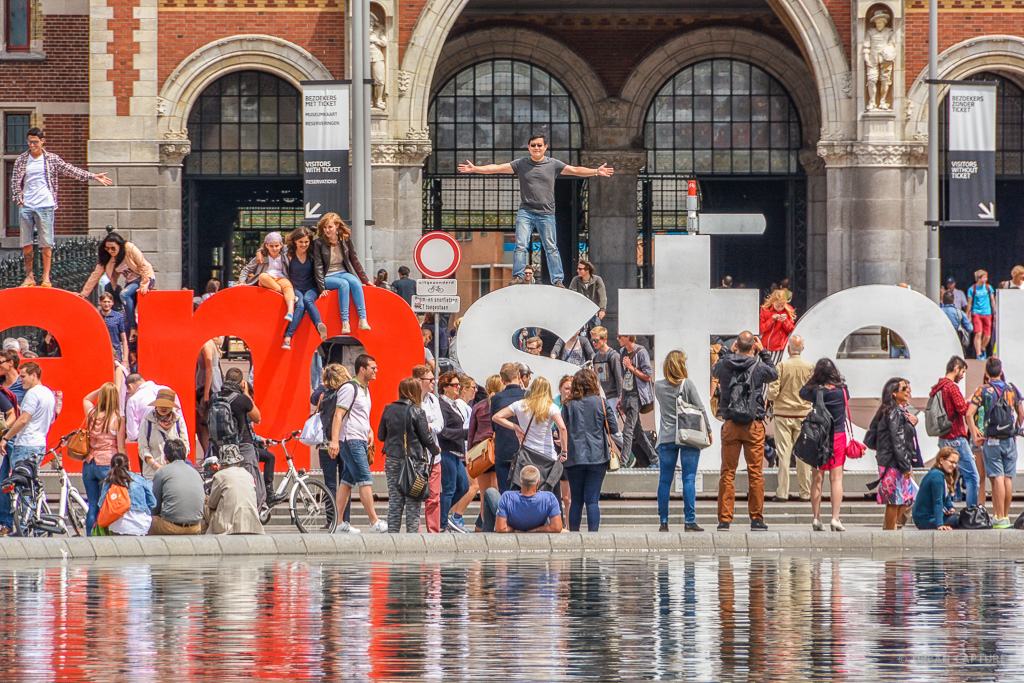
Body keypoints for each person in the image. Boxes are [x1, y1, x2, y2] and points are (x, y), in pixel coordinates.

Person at [458, 134, 614, 286]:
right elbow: (498, 167)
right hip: (526, 211)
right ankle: (518, 276)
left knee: (551, 247)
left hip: (546, 213)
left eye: (540, 145)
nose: (536, 148)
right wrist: (475, 169)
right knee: (520, 244)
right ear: (528, 147)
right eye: (533, 145)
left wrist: (595, 172)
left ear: (545, 147)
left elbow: (574, 170)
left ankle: (557, 280)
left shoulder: (553, 164)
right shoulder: (521, 164)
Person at [11, 127, 113, 288]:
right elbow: (15, 183)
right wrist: (20, 201)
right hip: (27, 205)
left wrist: (93, 176)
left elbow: (70, 170)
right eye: (29, 142)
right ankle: (29, 277)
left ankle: (46, 277)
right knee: (27, 243)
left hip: (45, 205)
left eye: (35, 142)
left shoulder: (51, 159)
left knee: (47, 243)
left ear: (42, 141)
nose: (32, 145)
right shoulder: (22, 160)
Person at [713, 331, 778, 531]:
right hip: (753, 425)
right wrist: (763, 352)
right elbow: (774, 373)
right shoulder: (758, 366)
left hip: (731, 424)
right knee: (756, 473)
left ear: (736, 345)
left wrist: (726, 352)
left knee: (727, 473)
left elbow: (714, 370)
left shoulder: (724, 364)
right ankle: (756, 519)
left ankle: (725, 520)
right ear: (753, 347)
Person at [329, 354, 387, 533]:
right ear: (362, 369)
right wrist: (334, 441)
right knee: (365, 478)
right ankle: (374, 521)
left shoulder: (365, 388)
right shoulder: (350, 388)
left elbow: (361, 415)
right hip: (351, 440)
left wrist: (369, 430)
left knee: (347, 480)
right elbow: (338, 414)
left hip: (359, 438)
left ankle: (338, 523)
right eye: (373, 368)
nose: (376, 371)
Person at [655, 351, 712, 532]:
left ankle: (664, 522)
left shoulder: (658, 386)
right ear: (681, 366)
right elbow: (701, 409)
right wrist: (709, 431)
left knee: (664, 480)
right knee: (688, 478)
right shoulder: (687, 385)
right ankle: (689, 521)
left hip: (666, 437)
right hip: (688, 436)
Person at [966, 356, 1022, 529]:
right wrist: (1015, 428)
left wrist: (975, 433)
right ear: (1001, 372)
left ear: (987, 373)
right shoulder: (1012, 389)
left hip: (992, 440)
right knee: (1007, 477)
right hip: (1010, 440)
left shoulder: (983, 390)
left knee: (996, 476)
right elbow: (1021, 413)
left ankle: (998, 516)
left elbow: (969, 414)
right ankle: (1005, 515)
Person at [378, 378, 439, 533]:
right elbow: (426, 438)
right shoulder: (417, 412)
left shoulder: (388, 409)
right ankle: (411, 542)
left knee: (395, 502)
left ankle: (393, 538)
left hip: (392, 459)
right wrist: (436, 450)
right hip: (414, 462)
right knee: (413, 503)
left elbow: (380, 436)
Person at [799, 358, 850, 532]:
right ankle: (835, 518)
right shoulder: (843, 391)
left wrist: (813, 380)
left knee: (817, 478)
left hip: (818, 437)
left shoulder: (815, 391)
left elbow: (801, 392)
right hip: (837, 436)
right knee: (836, 479)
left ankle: (816, 517)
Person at [492, 376, 568, 491]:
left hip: (526, 457)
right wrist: (564, 451)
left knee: (525, 492)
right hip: (548, 456)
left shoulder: (520, 404)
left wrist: (515, 426)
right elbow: (562, 428)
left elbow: (496, 417)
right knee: (549, 495)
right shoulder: (551, 407)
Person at [868, 377, 921, 530]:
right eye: (904, 389)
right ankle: (889, 533)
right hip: (893, 463)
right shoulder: (894, 412)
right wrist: (905, 467)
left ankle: (890, 531)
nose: (908, 392)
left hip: (894, 461)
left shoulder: (895, 411)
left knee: (903, 500)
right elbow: (897, 441)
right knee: (895, 501)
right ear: (893, 393)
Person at [79, 231, 156, 335]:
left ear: (120, 245)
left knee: (124, 294)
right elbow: (95, 275)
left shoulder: (129, 247)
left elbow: (144, 265)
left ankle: (133, 327)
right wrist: (84, 294)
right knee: (126, 317)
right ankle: (132, 346)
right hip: (131, 282)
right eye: (107, 248)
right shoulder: (108, 259)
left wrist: (144, 284)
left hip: (144, 278)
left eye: (113, 248)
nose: (110, 251)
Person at [559, 369, 608, 531]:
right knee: (592, 500)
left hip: (574, 457)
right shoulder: (601, 402)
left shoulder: (568, 405)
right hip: (598, 456)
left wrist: (564, 450)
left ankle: (574, 535)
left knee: (577, 499)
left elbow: (562, 428)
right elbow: (613, 429)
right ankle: (593, 537)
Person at [767, 335, 814, 503]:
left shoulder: (781, 366)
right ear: (803, 348)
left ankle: (782, 492)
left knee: (784, 455)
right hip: (803, 415)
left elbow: (772, 392)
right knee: (803, 457)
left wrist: (774, 398)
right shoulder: (810, 367)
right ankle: (805, 492)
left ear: (788, 349)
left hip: (783, 415)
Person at [76, 382, 126, 534]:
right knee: (106, 503)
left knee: (92, 504)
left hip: (89, 463)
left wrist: (102, 389)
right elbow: (121, 446)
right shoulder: (117, 419)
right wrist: (125, 466)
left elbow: (86, 399)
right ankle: (104, 535)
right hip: (107, 465)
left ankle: (91, 535)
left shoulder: (92, 414)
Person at [929, 356, 979, 508]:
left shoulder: (938, 386)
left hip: (943, 438)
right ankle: (972, 512)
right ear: (956, 368)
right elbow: (963, 410)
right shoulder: (952, 387)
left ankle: (946, 507)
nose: (962, 376)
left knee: (948, 476)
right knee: (972, 477)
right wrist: (971, 400)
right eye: (962, 372)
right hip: (956, 437)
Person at [312, 364, 356, 532]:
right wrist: (349, 376)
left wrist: (323, 383)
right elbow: (356, 388)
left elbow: (312, 398)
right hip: (343, 440)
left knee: (330, 483)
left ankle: (331, 520)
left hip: (325, 443)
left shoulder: (323, 393)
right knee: (345, 482)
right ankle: (345, 519)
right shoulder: (347, 393)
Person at [213, 367, 265, 505]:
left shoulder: (216, 397)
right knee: (250, 484)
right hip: (243, 446)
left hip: (221, 448)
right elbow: (257, 418)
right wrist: (246, 393)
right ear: (241, 383)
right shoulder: (242, 399)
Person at [312, 212, 370, 334]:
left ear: (337, 225)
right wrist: (322, 287)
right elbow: (317, 266)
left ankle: (363, 319)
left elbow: (354, 260)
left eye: (330, 227)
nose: (327, 230)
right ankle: (345, 322)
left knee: (354, 281)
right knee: (343, 284)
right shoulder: (319, 242)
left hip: (342, 272)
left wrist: (366, 280)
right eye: (325, 227)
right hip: (327, 276)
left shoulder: (345, 240)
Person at [0, 362, 55, 474]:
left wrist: (6, 438)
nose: (20, 380)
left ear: (34, 375)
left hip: (26, 444)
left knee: (21, 484)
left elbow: (23, 420)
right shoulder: (48, 393)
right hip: (40, 444)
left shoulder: (32, 394)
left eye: (23, 376)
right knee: (32, 484)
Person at [282, 227, 328, 350]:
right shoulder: (288, 254)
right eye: (301, 242)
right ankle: (288, 337)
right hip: (295, 288)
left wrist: (322, 287)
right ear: (295, 241)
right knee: (300, 305)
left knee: (308, 300)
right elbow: (270, 248)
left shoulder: (313, 254)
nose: (304, 245)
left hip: (311, 288)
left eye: (306, 242)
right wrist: (259, 253)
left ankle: (319, 326)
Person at [483, 465, 563, 533]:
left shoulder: (507, 497)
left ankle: (486, 535)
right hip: (538, 521)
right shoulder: (549, 498)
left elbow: (500, 528)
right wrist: (536, 530)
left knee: (491, 492)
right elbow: (557, 527)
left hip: (513, 524)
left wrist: (514, 530)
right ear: (538, 482)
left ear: (520, 481)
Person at [412, 364, 444, 531]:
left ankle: (433, 532)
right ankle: (415, 531)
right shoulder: (410, 401)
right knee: (416, 496)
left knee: (434, 497)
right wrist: (427, 425)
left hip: (433, 457)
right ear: (419, 381)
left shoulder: (433, 400)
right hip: (416, 457)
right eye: (430, 379)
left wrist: (428, 426)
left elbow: (440, 424)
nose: (434, 382)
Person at [149, 439, 204, 535]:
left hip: (170, 527)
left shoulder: (162, 471)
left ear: (165, 456)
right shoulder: (195, 472)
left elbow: (155, 506)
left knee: (146, 522)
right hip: (196, 527)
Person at [204, 446, 264, 535]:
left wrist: (208, 501)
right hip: (252, 525)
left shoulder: (220, 476)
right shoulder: (248, 475)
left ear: (222, 464)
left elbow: (212, 504)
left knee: (204, 508)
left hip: (228, 525)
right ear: (239, 462)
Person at [437, 371, 469, 532]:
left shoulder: (453, 404)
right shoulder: (442, 405)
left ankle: (442, 515)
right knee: (449, 487)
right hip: (446, 451)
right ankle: (442, 523)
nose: (458, 388)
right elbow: (442, 432)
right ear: (445, 387)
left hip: (456, 451)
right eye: (455, 385)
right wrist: (465, 433)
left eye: (459, 385)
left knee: (463, 486)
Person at [238, 231, 296, 322]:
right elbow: (247, 269)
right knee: (262, 276)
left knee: (288, 285)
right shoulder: (262, 257)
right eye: (271, 246)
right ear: (266, 246)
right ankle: (286, 294)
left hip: (281, 278)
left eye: (276, 246)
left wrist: (258, 251)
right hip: (266, 280)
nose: (274, 248)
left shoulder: (284, 254)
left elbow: (292, 246)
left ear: (281, 245)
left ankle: (290, 311)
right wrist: (241, 281)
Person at [618, 334, 656, 468]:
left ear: (628, 337)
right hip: (627, 393)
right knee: (637, 431)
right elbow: (623, 377)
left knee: (628, 429)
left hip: (636, 395)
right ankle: (655, 458)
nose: (617, 339)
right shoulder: (622, 352)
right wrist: (621, 397)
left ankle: (624, 462)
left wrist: (631, 367)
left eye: (620, 336)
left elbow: (647, 375)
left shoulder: (641, 352)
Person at [94, 453, 155, 536]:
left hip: (117, 527)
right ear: (129, 465)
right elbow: (153, 503)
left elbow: (101, 504)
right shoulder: (139, 479)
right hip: (142, 524)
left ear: (111, 468)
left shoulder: (109, 480)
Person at [449, 374, 479, 530]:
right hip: (465, 451)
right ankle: (456, 516)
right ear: (465, 389)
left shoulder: (463, 406)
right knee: (473, 486)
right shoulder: (462, 406)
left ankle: (454, 518)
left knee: (461, 485)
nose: (475, 391)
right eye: (473, 387)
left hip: (463, 451)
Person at [490, 363, 526, 494]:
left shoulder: (496, 398)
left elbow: (493, 425)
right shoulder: (526, 396)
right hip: (523, 449)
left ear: (502, 380)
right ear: (518, 376)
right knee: (524, 489)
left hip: (503, 449)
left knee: (504, 491)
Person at [138, 388, 189, 479]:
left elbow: (185, 447)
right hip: (152, 474)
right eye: (161, 405)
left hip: (175, 473)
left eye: (167, 405)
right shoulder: (147, 422)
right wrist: (156, 465)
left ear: (172, 407)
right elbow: (143, 448)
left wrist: (173, 466)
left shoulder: (178, 421)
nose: (163, 408)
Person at [912, 446, 960, 530]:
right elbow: (937, 501)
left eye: (956, 463)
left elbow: (946, 498)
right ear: (941, 460)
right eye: (951, 462)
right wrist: (940, 525)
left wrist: (950, 508)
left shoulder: (941, 474)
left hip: (930, 518)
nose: (954, 466)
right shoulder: (937, 475)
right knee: (966, 519)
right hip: (926, 520)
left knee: (964, 517)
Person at [195, 337, 223, 453]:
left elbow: (209, 369)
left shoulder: (206, 344)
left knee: (204, 424)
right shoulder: (209, 343)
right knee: (205, 424)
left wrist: (206, 393)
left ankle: (209, 455)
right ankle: (209, 454)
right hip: (208, 386)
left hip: (208, 387)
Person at [590, 327, 623, 413]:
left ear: (604, 339)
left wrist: (620, 396)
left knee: (611, 423)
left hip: (612, 397)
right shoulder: (595, 357)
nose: (594, 343)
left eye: (596, 340)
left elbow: (619, 378)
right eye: (592, 340)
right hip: (600, 397)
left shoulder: (613, 356)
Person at [759, 290, 796, 365]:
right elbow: (761, 329)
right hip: (767, 346)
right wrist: (772, 320)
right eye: (777, 306)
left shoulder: (788, 310)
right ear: (772, 302)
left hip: (780, 347)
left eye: (782, 306)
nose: (780, 308)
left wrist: (785, 322)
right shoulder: (765, 310)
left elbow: (792, 330)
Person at [568, 260, 608, 329]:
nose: (578, 271)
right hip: (580, 310)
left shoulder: (597, 280)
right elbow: (572, 295)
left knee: (596, 329)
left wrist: (602, 310)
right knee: (575, 329)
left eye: (580, 269)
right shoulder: (576, 280)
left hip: (593, 309)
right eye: (577, 269)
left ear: (587, 270)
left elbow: (602, 296)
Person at [967, 269, 996, 359]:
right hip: (977, 313)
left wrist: (995, 312)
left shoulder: (988, 287)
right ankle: (978, 353)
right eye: (984, 277)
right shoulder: (972, 289)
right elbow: (969, 303)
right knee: (978, 333)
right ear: (979, 278)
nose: (986, 279)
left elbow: (992, 300)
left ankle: (983, 348)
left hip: (987, 312)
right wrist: (968, 314)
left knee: (987, 334)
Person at [98, 292, 128, 363]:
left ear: (112, 303)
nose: (106, 304)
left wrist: (125, 360)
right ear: (100, 302)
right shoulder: (97, 316)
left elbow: (124, 339)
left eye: (109, 302)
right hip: (100, 353)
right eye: (104, 302)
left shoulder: (118, 316)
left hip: (115, 353)